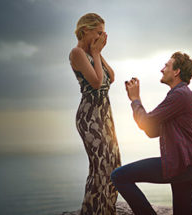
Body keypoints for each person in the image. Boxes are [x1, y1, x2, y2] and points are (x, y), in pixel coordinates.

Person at [111, 52, 192, 215]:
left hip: (181, 164)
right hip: (190, 167)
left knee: (119, 176)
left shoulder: (179, 95)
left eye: (166, 66)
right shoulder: (180, 95)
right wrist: (139, 109)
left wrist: (135, 100)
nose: (162, 69)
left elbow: (146, 122)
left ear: (176, 72)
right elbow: (151, 130)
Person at [69, 13, 121, 215]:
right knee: (99, 167)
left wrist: (97, 51)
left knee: (113, 163)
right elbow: (97, 82)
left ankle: (107, 209)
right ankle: (92, 211)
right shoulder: (77, 53)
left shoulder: (92, 52)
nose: (102, 37)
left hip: (105, 115)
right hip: (90, 116)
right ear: (85, 31)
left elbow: (111, 76)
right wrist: (96, 53)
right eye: (98, 33)